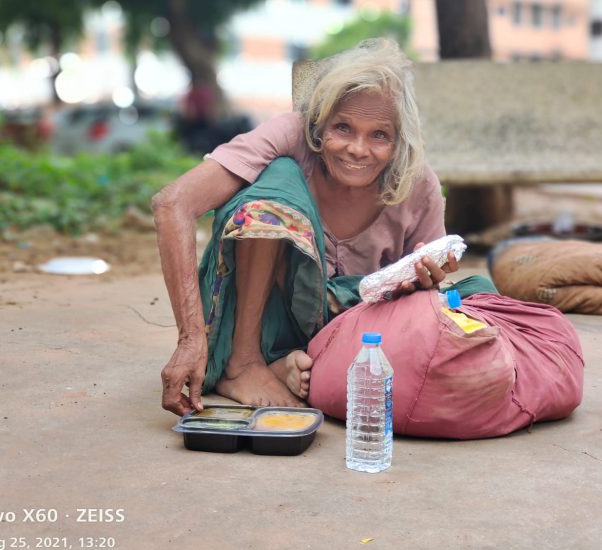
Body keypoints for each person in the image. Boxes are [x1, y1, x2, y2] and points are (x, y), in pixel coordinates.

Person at [153, 39, 460, 416]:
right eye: (343, 128)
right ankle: (244, 363)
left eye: (379, 135)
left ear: (399, 141)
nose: (358, 150)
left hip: (353, 329)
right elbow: (172, 204)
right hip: (261, 321)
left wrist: (424, 280)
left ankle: (293, 363)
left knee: (475, 298)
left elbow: (423, 298)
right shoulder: (291, 134)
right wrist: (189, 340)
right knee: (278, 178)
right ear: (319, 123)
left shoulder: (418, 182)